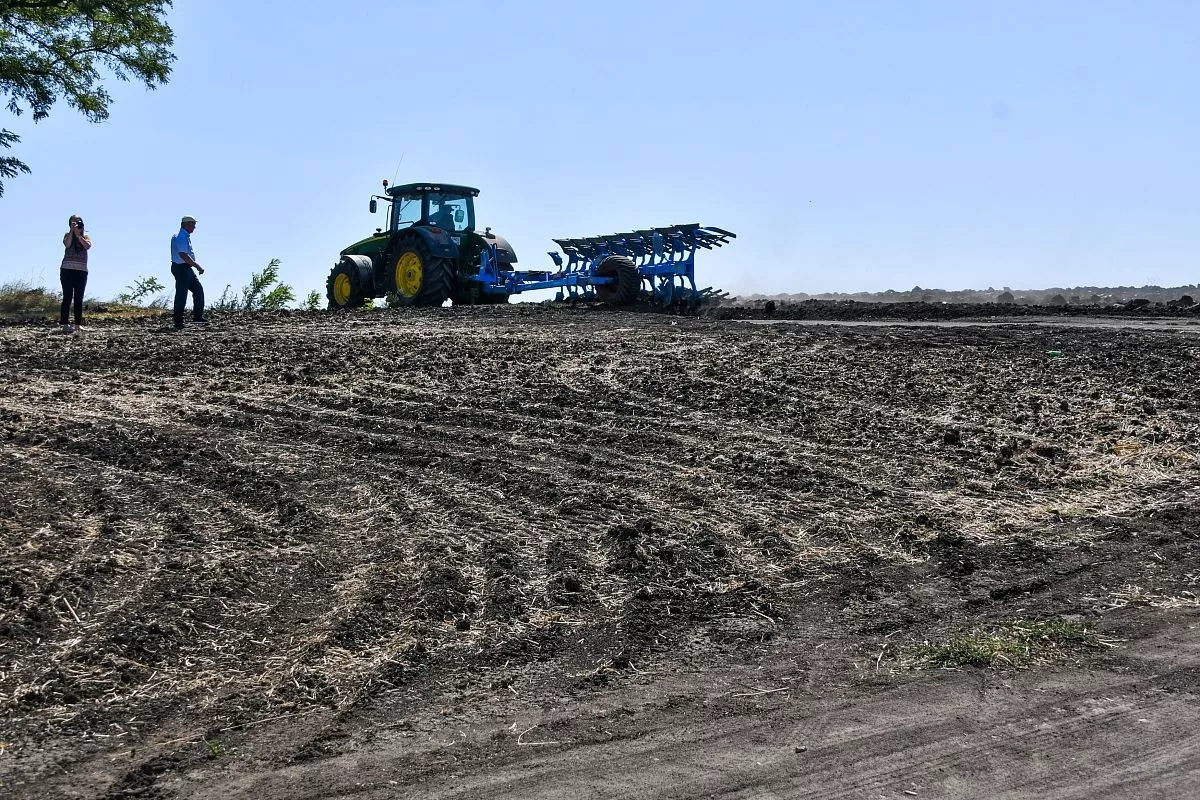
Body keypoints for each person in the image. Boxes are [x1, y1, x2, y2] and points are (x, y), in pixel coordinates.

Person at [170, 215, 207, 331]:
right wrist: (197, 266)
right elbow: (183, 255)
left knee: (198, 290)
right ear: (186, 224)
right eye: (193, 224)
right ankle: (178, 322)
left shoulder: (183, 236)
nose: (194, 227)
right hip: (181, 268)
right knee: (182, 294)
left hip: (185, 268)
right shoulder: (181, 237)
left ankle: (197, 317)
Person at [59, 214, 91, 334]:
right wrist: (72, 231)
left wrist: (79, 235)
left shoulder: (86, 237)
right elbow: (67, 244)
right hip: (67, 270)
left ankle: (78, 325)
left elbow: (87, 246)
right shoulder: (67, 235)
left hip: (81, 271)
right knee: (67, 296)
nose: (77, 224)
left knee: (79, 298)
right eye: (74, 223)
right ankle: (64, 324)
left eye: (79, 222)